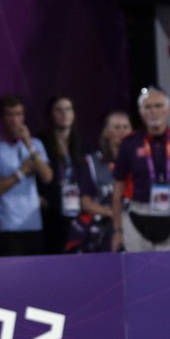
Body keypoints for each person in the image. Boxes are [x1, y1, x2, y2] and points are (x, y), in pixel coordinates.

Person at [109, 87, 170, 252]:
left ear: (168, 110)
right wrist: (117, 229)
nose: (153, 112)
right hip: (137, 213)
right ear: (141, 112)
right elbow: (118, 188)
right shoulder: (129, 143)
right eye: (148, 107)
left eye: (158, 106)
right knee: (138, 273)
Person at [0, 92, 51, 256]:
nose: (14, 120)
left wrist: (29, 145)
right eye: (10, 115)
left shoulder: (35, 145)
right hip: (8, 226)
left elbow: (47, 177)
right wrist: (21, 172)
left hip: (34, 223)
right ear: (1, 118)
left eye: (18, 114)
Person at [73, 108, 128, 254]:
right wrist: (114, 214)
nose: (122, 132)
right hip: (103, 231)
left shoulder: (140, 162)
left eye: (125, 127)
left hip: (134, 229)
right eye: (116, 127)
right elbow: (86, 203)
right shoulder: (92, 163)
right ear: (106, 132)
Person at [35, 93, 82, 254]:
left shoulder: (83, 144)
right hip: (50, 213)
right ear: (50, 115)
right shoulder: (40, 142)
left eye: (68, 109)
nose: (64, 114)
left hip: (77, 211)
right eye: (59, 110)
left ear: (74, 114)